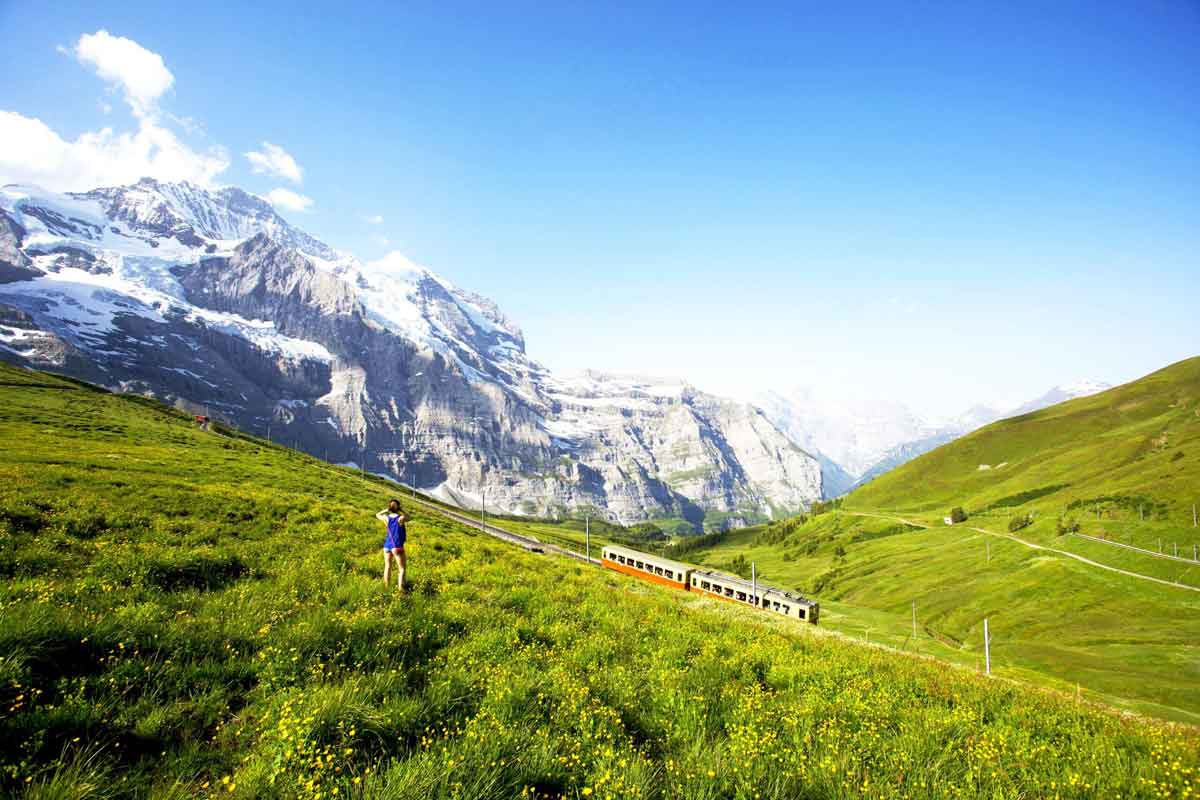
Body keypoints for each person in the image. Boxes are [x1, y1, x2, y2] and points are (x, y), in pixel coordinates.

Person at [376, 499, 410, 589]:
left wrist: (387, 510)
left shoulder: (386, 518)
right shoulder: (400, 518)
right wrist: (401, 510)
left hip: (387, 546)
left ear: (390, 507)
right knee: (402, 569)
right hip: (397, 546)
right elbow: (408, 517)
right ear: (398, 507)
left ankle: (387, 587)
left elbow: (377, 515)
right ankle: (400, 590)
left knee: (387, 566)